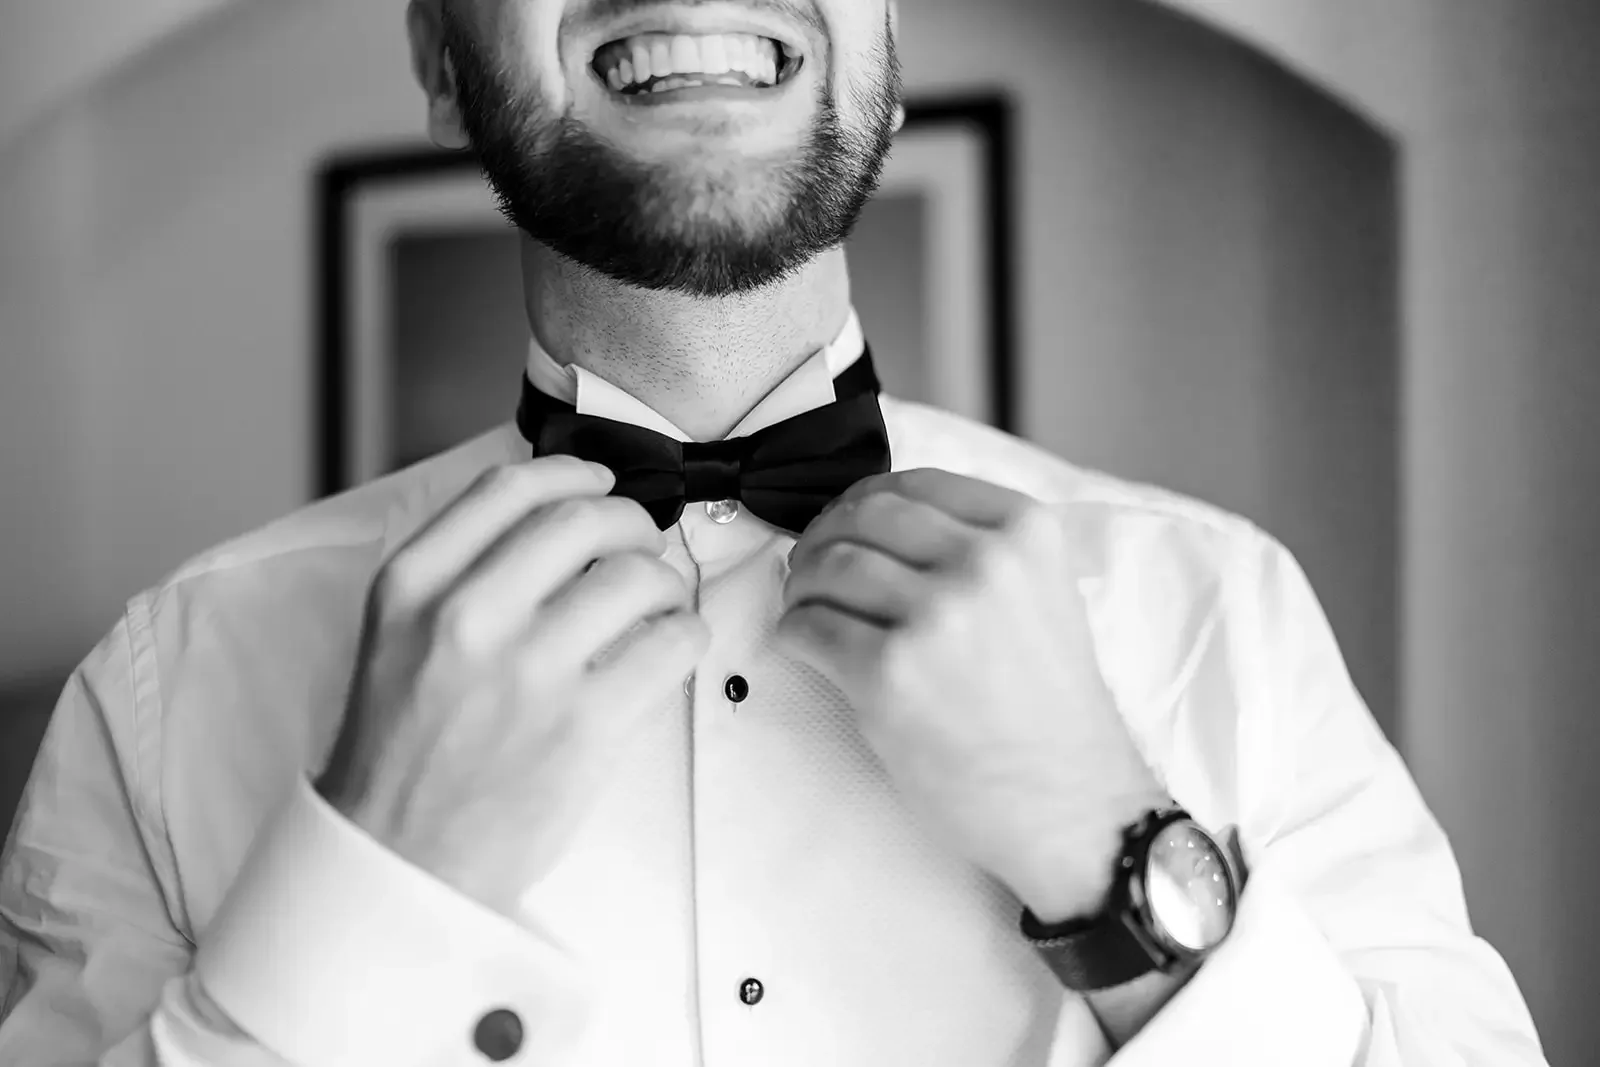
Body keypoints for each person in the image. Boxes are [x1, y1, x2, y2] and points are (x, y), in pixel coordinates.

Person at [0, 0, 1548, 1063]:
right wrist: (364, 888)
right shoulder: (167, 683)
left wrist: (1120, 862)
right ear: (438, 49)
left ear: (890, 23)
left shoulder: (1213, 603)